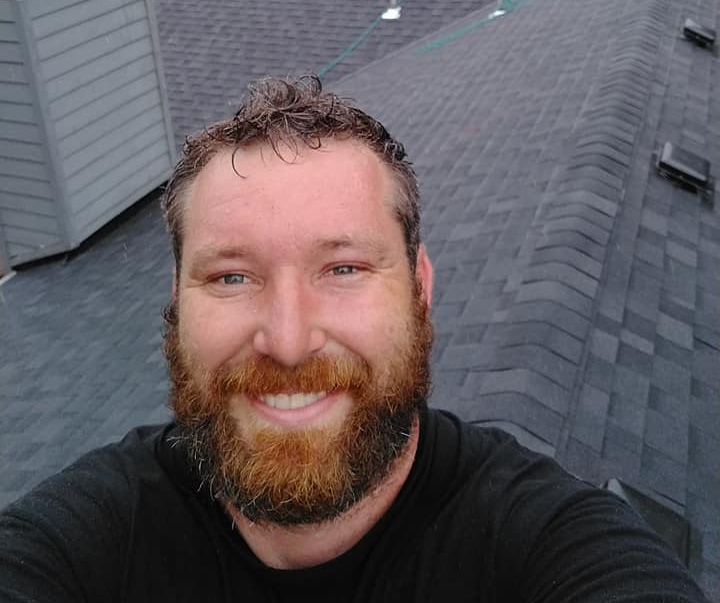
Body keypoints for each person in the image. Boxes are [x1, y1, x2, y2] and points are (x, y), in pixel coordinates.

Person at [0, 77, 708, 601]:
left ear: (420, 289)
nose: (287, 340)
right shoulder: (85, 542)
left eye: (343, 268)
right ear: (176, 305)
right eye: (232, 278)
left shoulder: (542, 541)